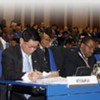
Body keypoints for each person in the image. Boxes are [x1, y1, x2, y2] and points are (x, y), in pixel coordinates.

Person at [1, 29, 47, 100]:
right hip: (15, 92)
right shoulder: (9, 53)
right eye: (30, 46)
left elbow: (45, 69)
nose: (32, 50)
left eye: (35, 47)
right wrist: (28, 75)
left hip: (36, 93)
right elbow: (8, 74)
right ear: (21, 41)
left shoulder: (39, 53)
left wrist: (47, 74)